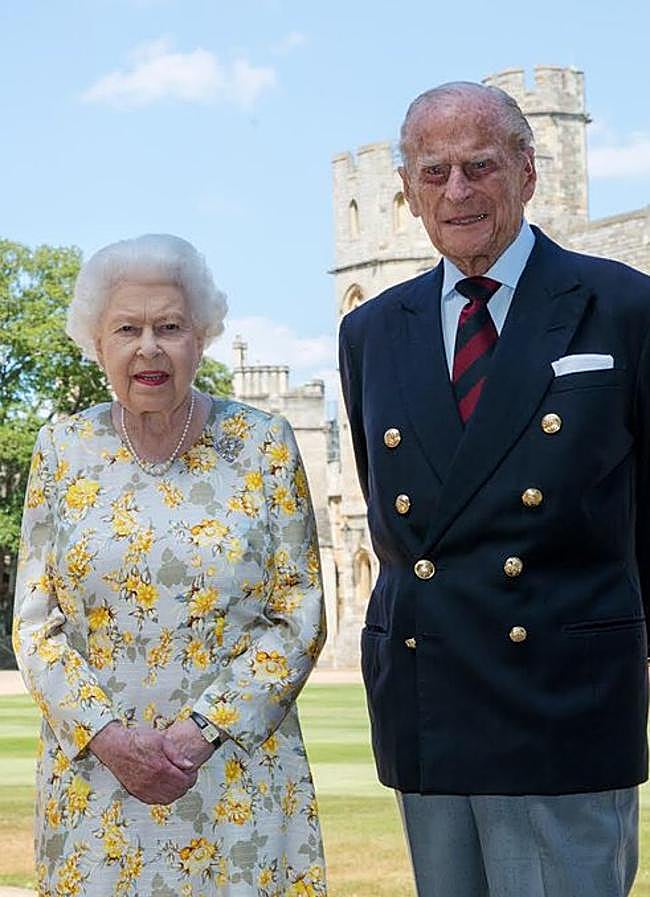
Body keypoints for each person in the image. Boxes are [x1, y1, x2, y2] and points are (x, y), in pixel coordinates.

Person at [338, 81, 650, 897]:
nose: (458, 191)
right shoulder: (371, 330)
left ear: (528, 171)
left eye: (480, 166)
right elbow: (393, 513)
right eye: (433, 172)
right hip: (428, 700)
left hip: (563, 703)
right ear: (406, 191)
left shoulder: (623, 306)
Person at [13, 233, 328, 897]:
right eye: (127, 328)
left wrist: (201, 732)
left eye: (170, 327)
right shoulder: (62, 448)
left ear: (202, 338)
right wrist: (109, 739)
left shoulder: (263, 444)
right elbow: (36, 624)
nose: (149, 348)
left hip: (236, 777)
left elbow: (299, 614)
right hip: (97, 784)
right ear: (97, 342)